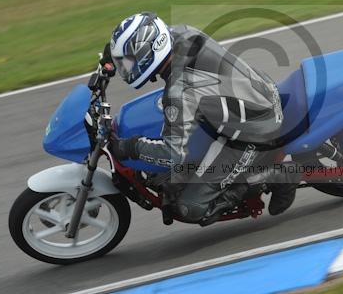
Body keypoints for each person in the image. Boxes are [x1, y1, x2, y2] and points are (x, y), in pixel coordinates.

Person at [104, 12, 300, 226]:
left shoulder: (180, 90)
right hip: (251, 97)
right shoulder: (180, 34)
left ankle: (279, 176)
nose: (126, 69)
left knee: (191, 207)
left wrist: (130, 147)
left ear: (150, 53)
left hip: (254, 131)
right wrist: (112, 57)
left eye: (130, 61)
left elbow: (172, 155)